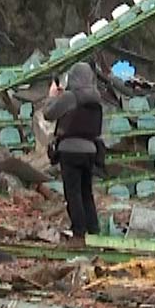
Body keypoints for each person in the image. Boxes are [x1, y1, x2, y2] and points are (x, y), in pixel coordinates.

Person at [45, 62, 105, 240]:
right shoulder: (96, 97)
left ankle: (79, 231)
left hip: (70, 150)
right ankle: (94, 230)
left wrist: (52, 96)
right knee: (87, 192)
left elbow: (49, 113)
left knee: (73, 192)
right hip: (91, 150)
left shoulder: (70, 97)